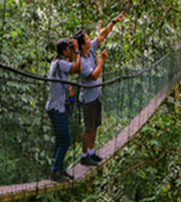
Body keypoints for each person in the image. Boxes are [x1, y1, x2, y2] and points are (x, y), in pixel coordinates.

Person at [74, 12, 124, 166]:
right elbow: (95, 76)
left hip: (95, 96)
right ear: (82, 44)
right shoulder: (81, 62)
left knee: (95, 125)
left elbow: (102, 35)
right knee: (88, 128)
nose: (91, 39)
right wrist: (101, 60)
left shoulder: (89, 50)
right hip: (88, 99)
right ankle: (84, 156)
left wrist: (113, 21)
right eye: (88, 39)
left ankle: (91, 152)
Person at [45, 38, 81, 182]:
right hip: (56, 108)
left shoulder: (58, 63)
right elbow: (77, 68)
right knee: (65, 140)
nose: (71, 52)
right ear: (65, 51)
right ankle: (55, 172)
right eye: (70, 49)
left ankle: (59, 169)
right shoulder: (60, 63)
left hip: (57, 107)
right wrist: (78, 50)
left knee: (61, 140)